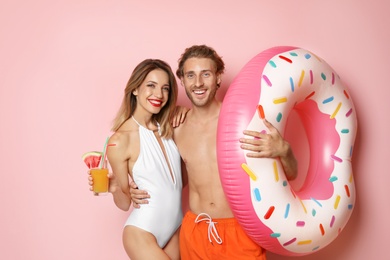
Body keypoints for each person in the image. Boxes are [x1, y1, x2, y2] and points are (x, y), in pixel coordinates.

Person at [131, 45, 298, 259]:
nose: (198, 83)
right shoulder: (175, 126)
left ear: (218, 77)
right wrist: (131, 187)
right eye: (191, 75)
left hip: (240, 232)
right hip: (196, 232)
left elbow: (291, 175)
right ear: (182, 80)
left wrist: (284, 150)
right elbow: (166, 174)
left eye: (206, 74)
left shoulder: (243, 121)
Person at [88, 59, 183, 259]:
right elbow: (124, 204)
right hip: (141, 232)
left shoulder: (169, 128)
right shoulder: (121, 140)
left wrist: (184, 111)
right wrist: (114, 187)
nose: (159, 94)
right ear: (135, 89)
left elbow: (180, 181)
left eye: (165, 88)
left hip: (176, 228)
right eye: (151, 86)